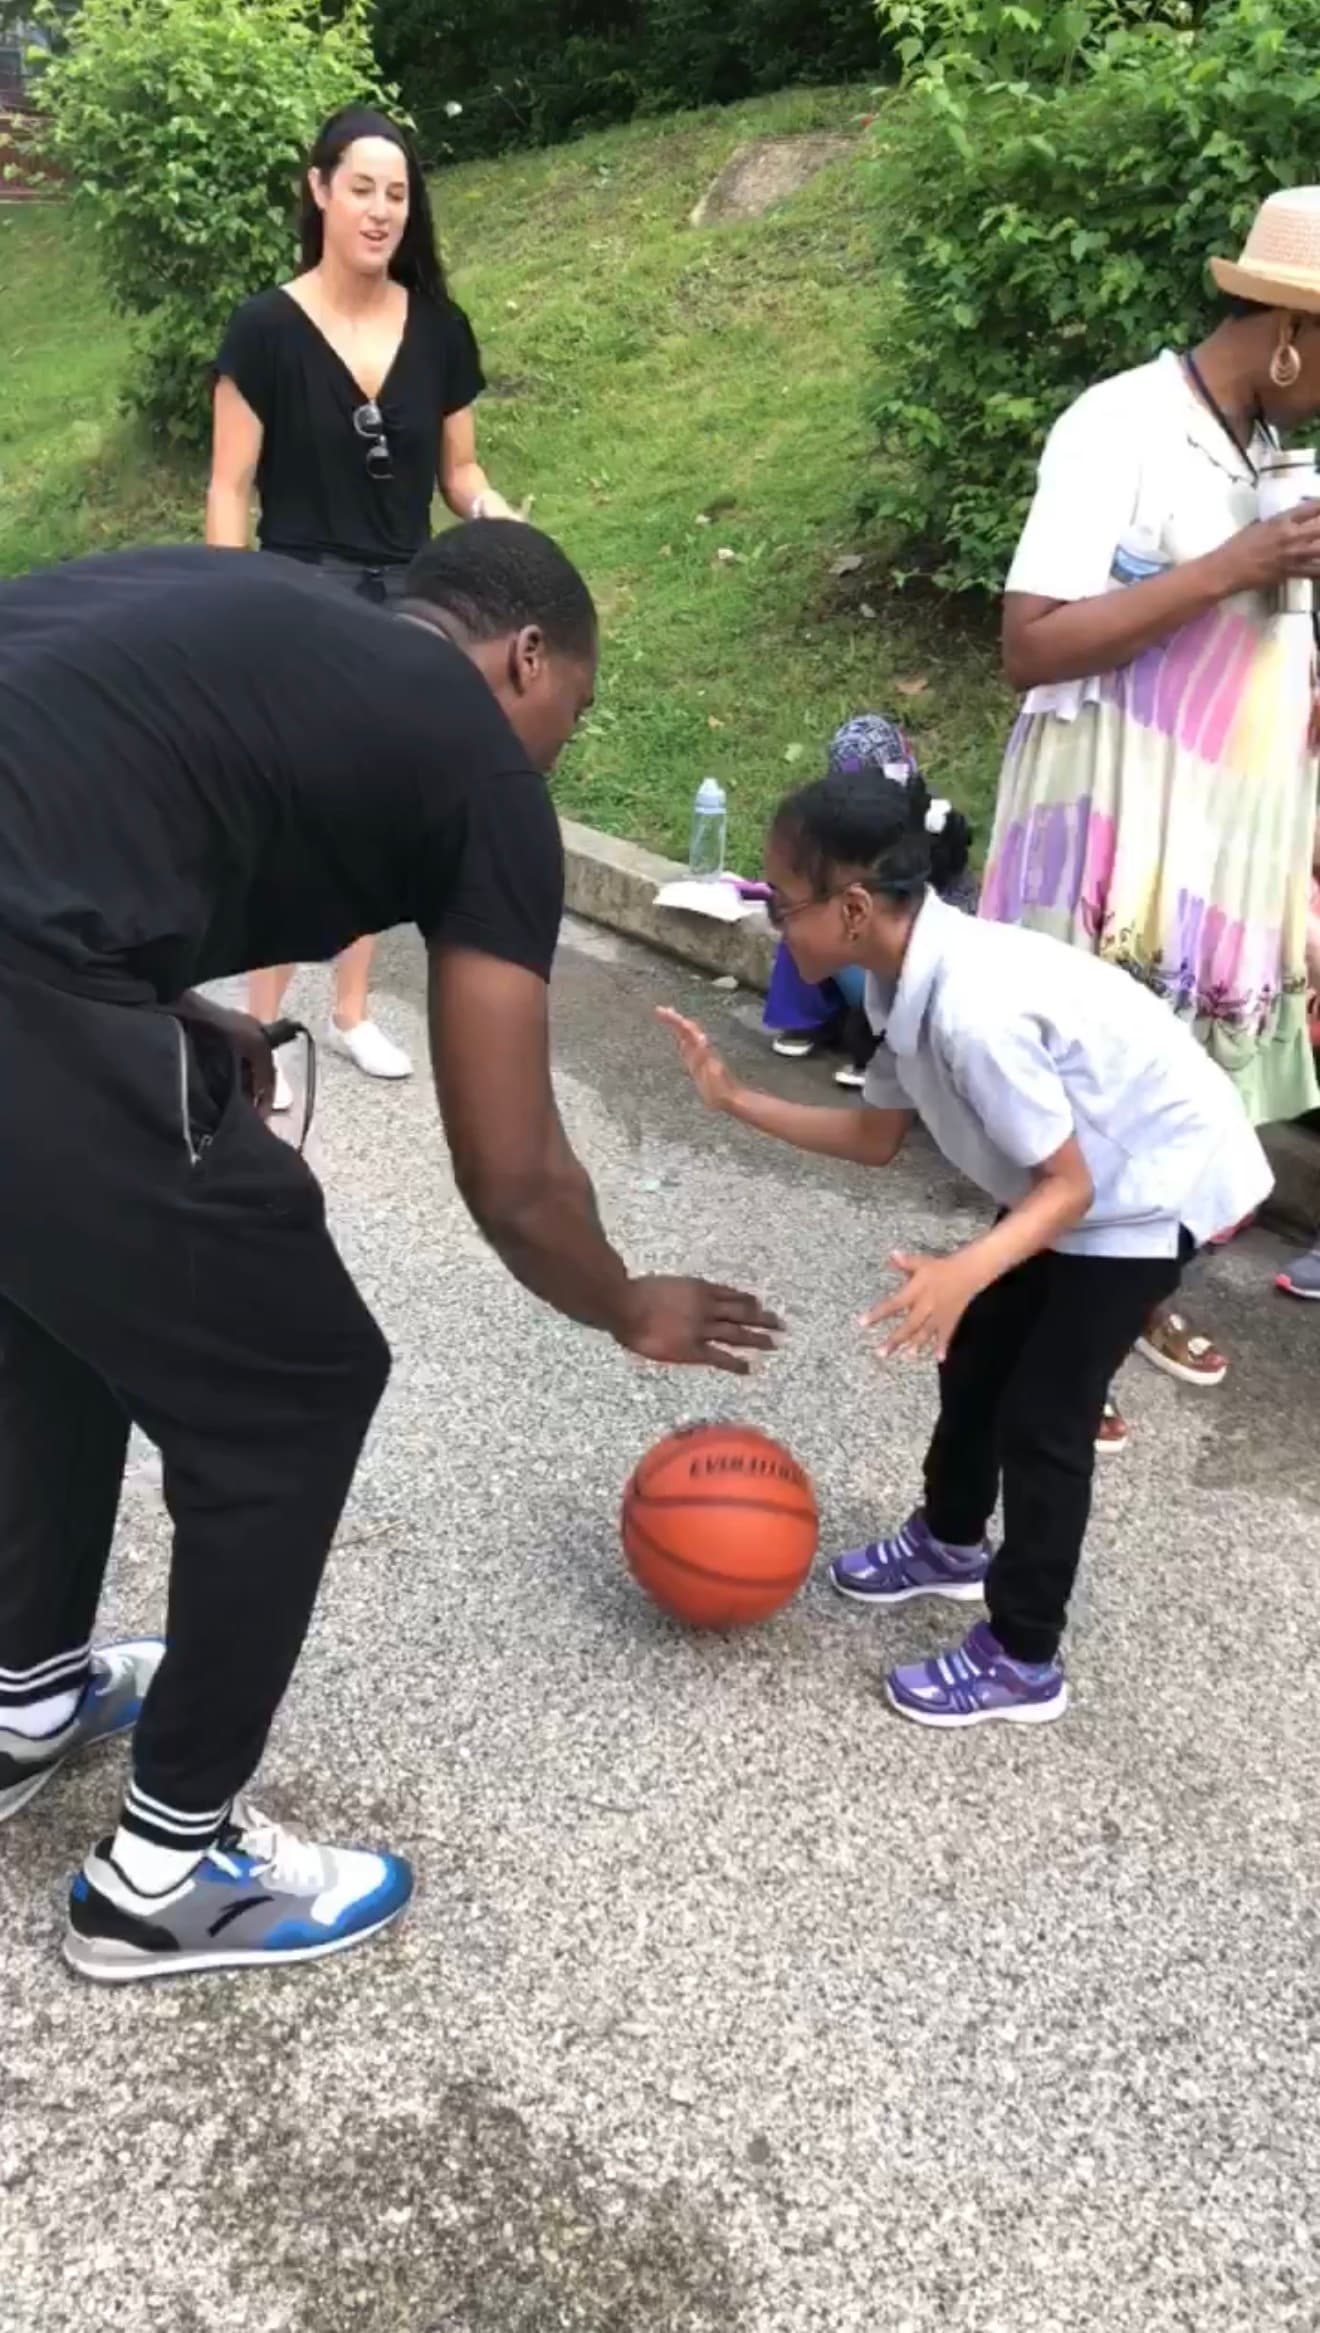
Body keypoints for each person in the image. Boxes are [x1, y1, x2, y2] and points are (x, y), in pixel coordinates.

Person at [0, 523, 779, 1983]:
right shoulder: (477, 760)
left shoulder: (265, 606)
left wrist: (168, 1016)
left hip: (38, 963)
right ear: (525, 659)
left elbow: (81, 793)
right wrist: (624, 1298)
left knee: (72, 1303)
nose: (553, 754)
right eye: (572, 717)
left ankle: (25, 1698)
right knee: (297, 1382)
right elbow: (512, 1171)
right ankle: (168, 1868)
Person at [661, 764, 1271, 1728]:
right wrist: (734, 1098)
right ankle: (950, 1544)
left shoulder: (973, 1011)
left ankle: (1025, 1656)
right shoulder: (897, 982)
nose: (776, 920)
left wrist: (963, 1271)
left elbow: (1072, 1189)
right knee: (980, 1354)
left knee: (1043, 1416)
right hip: (1079, 1187)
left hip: (1151, 1189)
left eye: (783, 901)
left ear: (853, 907)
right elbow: (875, 1137)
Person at [980, 186, 1320, 1446]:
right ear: (1286, 328)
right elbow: (1032, 640)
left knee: (1185, 1089)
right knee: (1089, 1084)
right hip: (1115, 821)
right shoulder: (1118, 423)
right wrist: (1234, 564)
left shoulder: (1274, 447)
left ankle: (1130, 1294)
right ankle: (1055, 1331)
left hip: (1233, 833)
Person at [208, 103, 521, 1102]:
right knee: (284, 812)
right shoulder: (263, 329)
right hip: (296, 592)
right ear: (319, 189)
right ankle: (255, 1031)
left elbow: (461, 474)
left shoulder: (440, 330)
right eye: (362, 188)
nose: (381, 210)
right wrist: (231, 606)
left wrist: (496, 516)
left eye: (398, 192)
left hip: (411, 599)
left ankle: (348, 1011)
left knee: (379, 812)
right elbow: (229, 488)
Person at [763, 713, 977, 1089]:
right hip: (886, 966)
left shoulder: (975, 1023)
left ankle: (854, 1042)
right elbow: (876, 1138)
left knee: (809, 923)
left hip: (894, 960)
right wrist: (732, 1099)